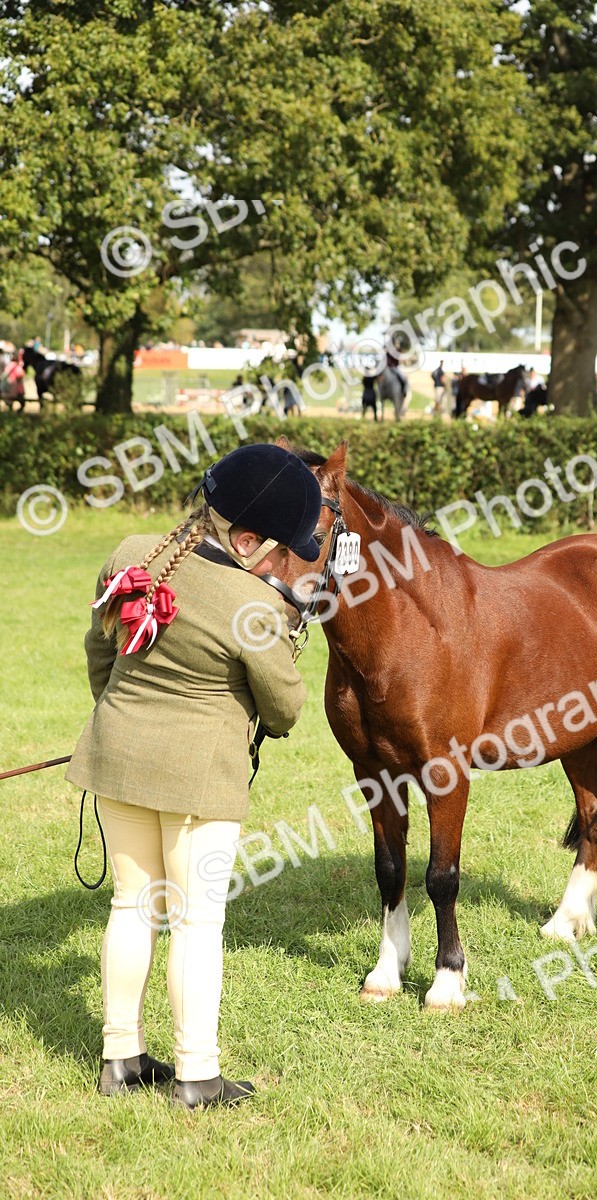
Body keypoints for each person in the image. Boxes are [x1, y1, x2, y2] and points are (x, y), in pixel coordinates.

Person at [66, 444, 323, 1109]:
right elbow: (287, 709)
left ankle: (119, 1058)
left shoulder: (129, 552)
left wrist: (122, 715)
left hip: (115, 757)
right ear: (246, 539)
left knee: (131, 906)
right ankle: (196, 1076)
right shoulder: (251, 603)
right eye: (274, 552)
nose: (277, 565)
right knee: (195, 922)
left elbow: (102, 648)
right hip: (197, 780)